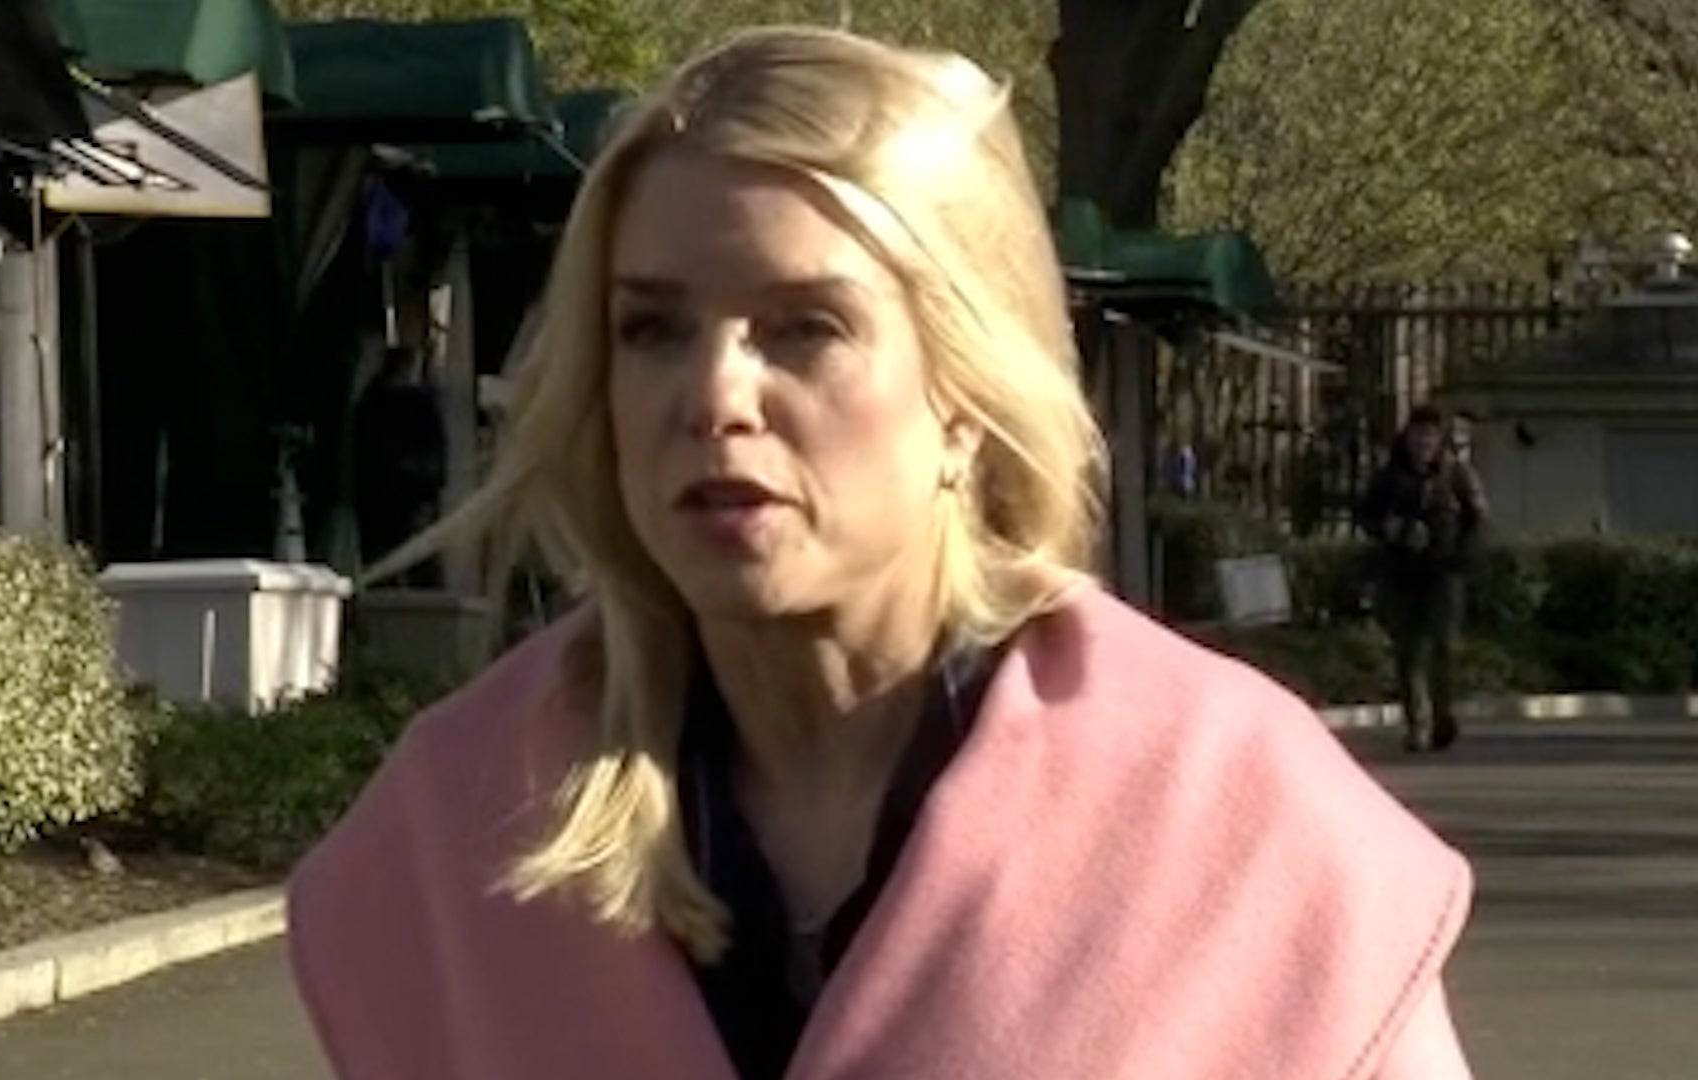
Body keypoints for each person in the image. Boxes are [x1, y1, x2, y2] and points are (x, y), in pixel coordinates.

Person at [288, 27, 1474, 1080]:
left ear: (962, 393)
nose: (715, 395)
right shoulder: (460, 829)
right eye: (652, 327)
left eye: (805, 327)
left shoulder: (1231, 818)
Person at [1358, 406, 1489, 753]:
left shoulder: (1457, 475)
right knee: (1408, 651)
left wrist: (1462, 557)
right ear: (1408, 437)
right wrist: (1393, 528)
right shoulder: (1389, 477)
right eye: (1417, 435)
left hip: (1444, 573)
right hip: (1401, 573)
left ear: (1439, 440)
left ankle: (1443, 715)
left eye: (1430, 436)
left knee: (1444, 648)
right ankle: (1418, 724)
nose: (1423, 443)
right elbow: (1367, 515)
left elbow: (1477, 521)